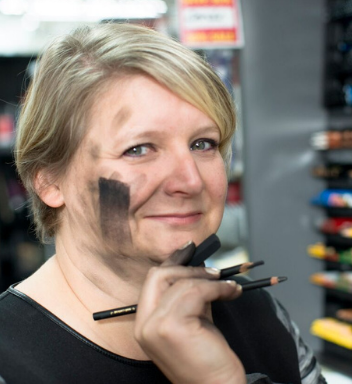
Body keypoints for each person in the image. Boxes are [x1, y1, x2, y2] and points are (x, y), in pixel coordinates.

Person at [0, 23, 325, 384]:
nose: (191, 180)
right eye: (138, 149)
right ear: (49, 182)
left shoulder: (258, 309)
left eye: (203, 144)